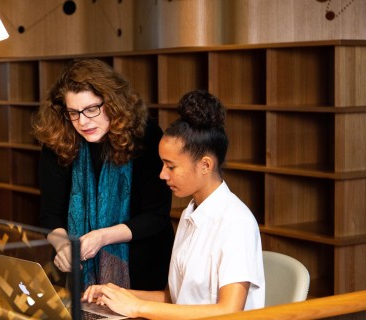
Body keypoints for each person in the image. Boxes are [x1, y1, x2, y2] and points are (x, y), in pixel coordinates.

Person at [82, 90, 265, 319]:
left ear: (205, 165)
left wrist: (137, 308)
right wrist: (117, 295)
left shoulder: (236, 222)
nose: (162, 175)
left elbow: (229, 311)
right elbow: (175, 299)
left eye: (171, 166)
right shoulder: (191, 213)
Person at [31, 58, 174, 291]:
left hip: (143, 267)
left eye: (91, 109)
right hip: (80, 275)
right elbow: (50, 215)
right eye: (73, 113)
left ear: (113, 103)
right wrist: (63, 246)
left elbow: (156, 215)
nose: (83, 121)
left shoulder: (145, 136)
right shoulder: (57, 140)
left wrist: (102, 237)